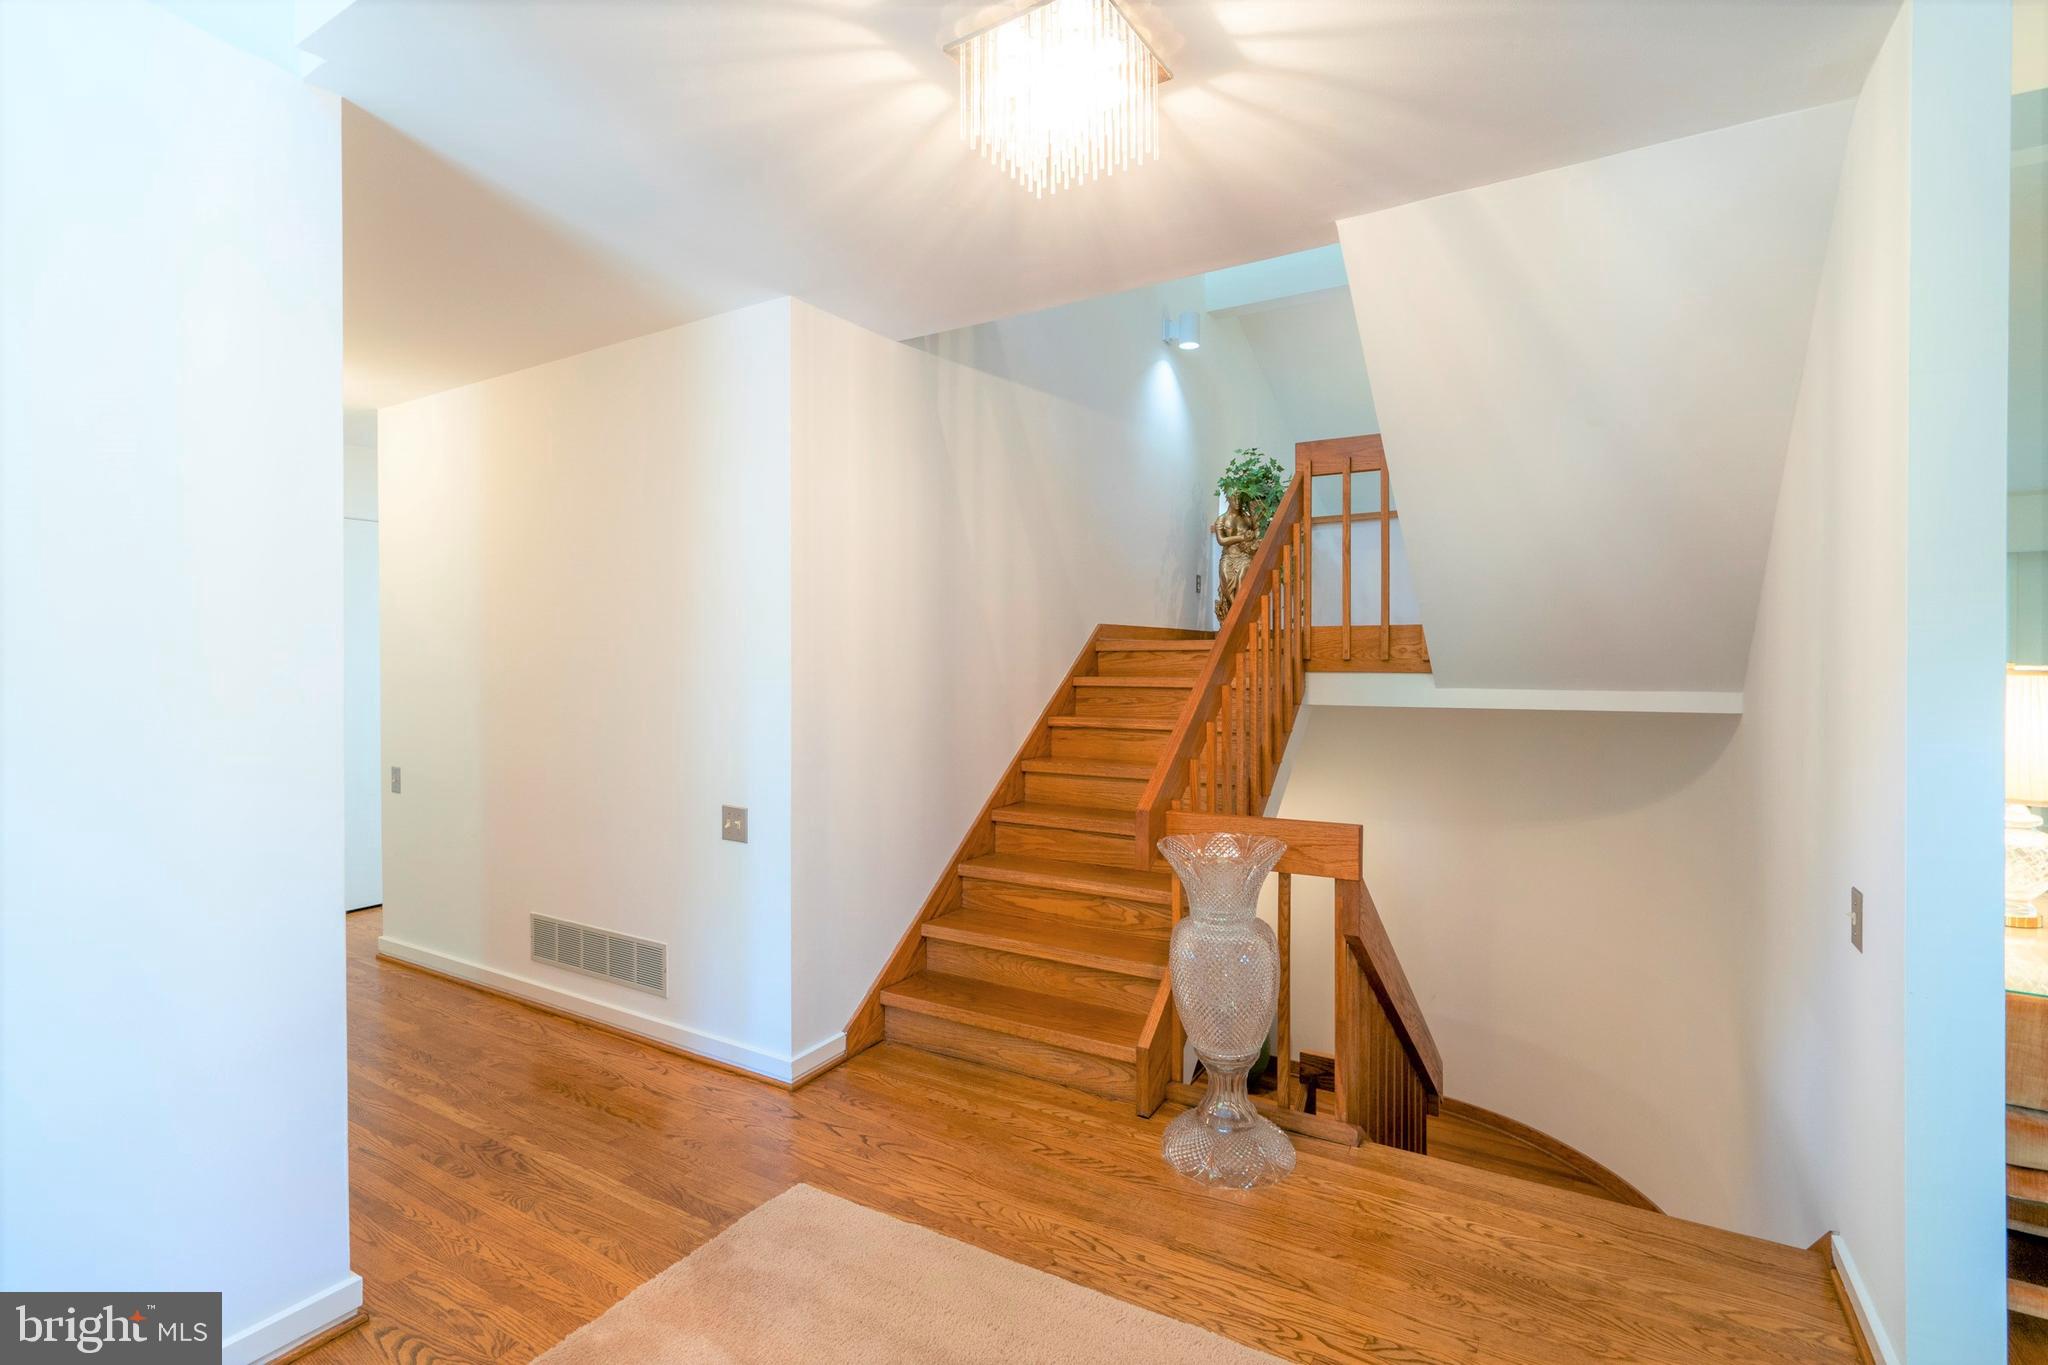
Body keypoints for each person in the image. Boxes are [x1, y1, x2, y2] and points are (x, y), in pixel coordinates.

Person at [1211, 491, 1260, 623]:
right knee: (1226, 583)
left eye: (1239, 499)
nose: (1237, 502)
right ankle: (1236, 615)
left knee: (1241, 579)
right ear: (1228, 499)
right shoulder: (1222, 519)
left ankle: (1239, 616)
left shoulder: (1248, 519)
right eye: (1234, 499)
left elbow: (1258, 531)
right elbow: (1221, 540)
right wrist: (1241, 537)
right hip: (1228, 556)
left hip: (1244, 556)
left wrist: (1252, 537)